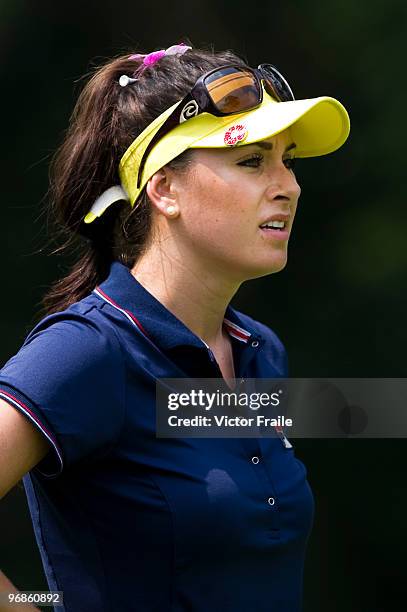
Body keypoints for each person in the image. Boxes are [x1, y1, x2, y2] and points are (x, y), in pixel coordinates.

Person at [0, 44, 350, 611]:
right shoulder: (86, 351)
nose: (289, 184)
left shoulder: (261, 351)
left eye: (289, 160)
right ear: (165, 190)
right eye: (253, 161)